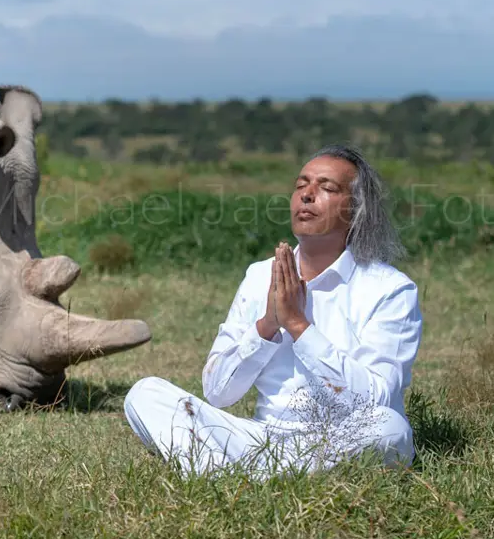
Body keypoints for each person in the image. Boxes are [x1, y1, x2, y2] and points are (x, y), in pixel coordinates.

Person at [123, 144, 420, 477]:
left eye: (326, 188)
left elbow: (375, 400)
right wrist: (267, 325)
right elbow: (218, 392)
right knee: (145, 394)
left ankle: (236, 475)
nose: (307, 195)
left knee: (389, 429)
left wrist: (297, 325)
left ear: (356, 210)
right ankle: (271, 473)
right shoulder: (260, 276)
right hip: (262, 438)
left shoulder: (390, 289)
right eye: (300, 185)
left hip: (342, 439)